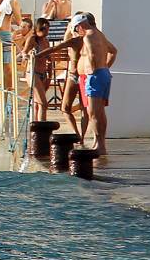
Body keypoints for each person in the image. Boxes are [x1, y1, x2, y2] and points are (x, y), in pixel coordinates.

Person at [47, 12, 117, 156]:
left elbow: (91, 54)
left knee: (92, 113)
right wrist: (105, 67)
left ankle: (98, 144)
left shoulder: (88, 36)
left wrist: (93, 70)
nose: (76, 30)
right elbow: (113, 51)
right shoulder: (98, 35)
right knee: (96, 112)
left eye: (77, 27)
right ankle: (97, 142)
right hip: (97, 74)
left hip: (91, 76)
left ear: (82, 24)